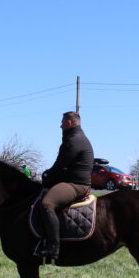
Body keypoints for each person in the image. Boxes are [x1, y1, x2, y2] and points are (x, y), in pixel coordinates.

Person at [36, 111, 94, 262]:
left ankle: (53, 247)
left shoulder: (74, 140)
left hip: (76, 185)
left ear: (68, 123)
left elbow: (60, 167)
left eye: (62, 122)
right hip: (72, 181)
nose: (60, 125)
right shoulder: (76, 138)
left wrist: (47, 178)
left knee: (47, 203)